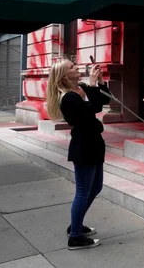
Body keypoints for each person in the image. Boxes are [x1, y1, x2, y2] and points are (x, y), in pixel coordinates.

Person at [46, 58, 112, 250]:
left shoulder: (81, 88)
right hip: (83, 146)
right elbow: (90, 111)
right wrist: (92, 86)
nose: (77, 67)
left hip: (94, 143)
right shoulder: (67, 98)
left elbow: (104, 101)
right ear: (64, 76)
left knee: (96, 187)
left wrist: (99, 82)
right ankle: (75, 236)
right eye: (72, 67)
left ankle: (76, 224)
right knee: (83, 191)